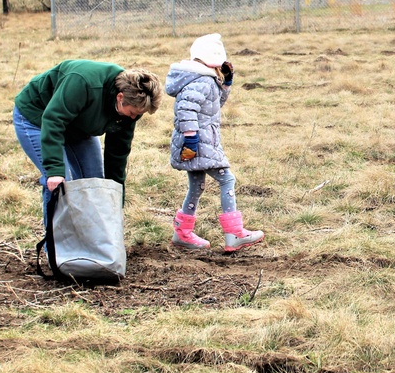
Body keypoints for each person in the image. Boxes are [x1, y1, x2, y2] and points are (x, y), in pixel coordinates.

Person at [13, 60, 163, 221]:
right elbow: (53, 121)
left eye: (138, 114)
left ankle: (89, 238)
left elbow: (117, 152)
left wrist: (115, 196)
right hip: (38, 119)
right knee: (60, 185)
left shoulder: (131, 108)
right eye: (132, 112)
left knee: (95, 183)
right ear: (120, 97)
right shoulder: (82, 82)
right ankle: (56, 244)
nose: (134, 118)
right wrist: (55, 170)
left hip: (77, 125)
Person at [166, 33, 264, 252]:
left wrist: (226, 84)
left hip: (199, 143)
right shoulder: (200, 81)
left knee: (197, 185)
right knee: (227, 180)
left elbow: (213, 105)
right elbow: (186, 109)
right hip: (199, 143)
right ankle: (235, 233)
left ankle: (182, 233)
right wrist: (192, 139)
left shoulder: (202, 79)